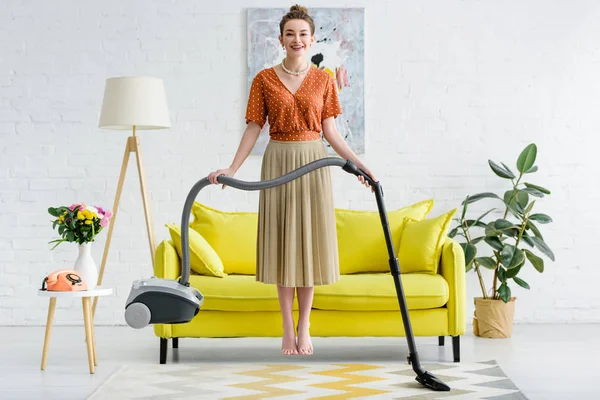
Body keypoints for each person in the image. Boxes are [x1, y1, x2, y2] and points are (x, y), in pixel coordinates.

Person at [208, 4, 376, 356]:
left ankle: (305, 327)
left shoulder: (324, 80)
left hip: (313, 162)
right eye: (290, 34)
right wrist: (232, 170)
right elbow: (254, 128)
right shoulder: (264, 79)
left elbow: (331, 131)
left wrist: (360, 165)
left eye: (303, 34)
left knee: (309, 245)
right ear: (280, 39)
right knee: (285, 244)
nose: (297, 39)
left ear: (312, 38)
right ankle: (286, 328)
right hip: (279, 160)